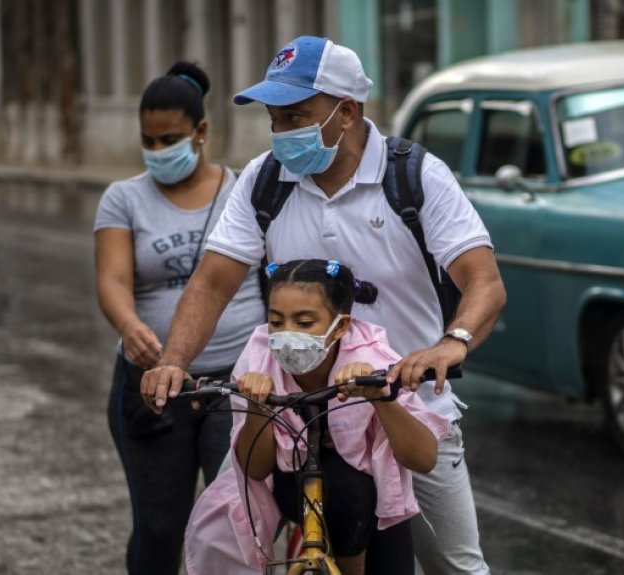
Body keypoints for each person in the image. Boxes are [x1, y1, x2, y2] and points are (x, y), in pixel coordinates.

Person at [142, 36, 505, 574]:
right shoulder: (265, 180)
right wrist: (173, 361)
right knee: (228, 539)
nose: (281, 131)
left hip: (406, 411)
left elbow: (484, 281)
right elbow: (213, 282)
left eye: (295, 116)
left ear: (347, 111)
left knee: (455, 565)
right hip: (293, 413)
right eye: (274, 118)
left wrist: (451, 344)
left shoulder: (416, 176)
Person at [94, 61, 263, 575]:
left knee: (236, 524)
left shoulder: (245, 191)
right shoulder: (124, 198)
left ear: (201, 132)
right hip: (152, 387)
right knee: (160, 527)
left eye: (170, 139)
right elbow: (113, 281)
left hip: (234, 383)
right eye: (148, 141)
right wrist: (129, 326)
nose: (158, 150)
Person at [184, 259, 450, 575]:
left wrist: (380, 397)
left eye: (304, 323)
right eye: (276, 321)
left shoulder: (376, 361)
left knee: (366, 515)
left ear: (340, 326)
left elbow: (424, 459)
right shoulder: (258, 358)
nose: (286, 334)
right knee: (228, 539)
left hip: (371, 499)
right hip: (287, 480)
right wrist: (257, 406)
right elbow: (255, 469)